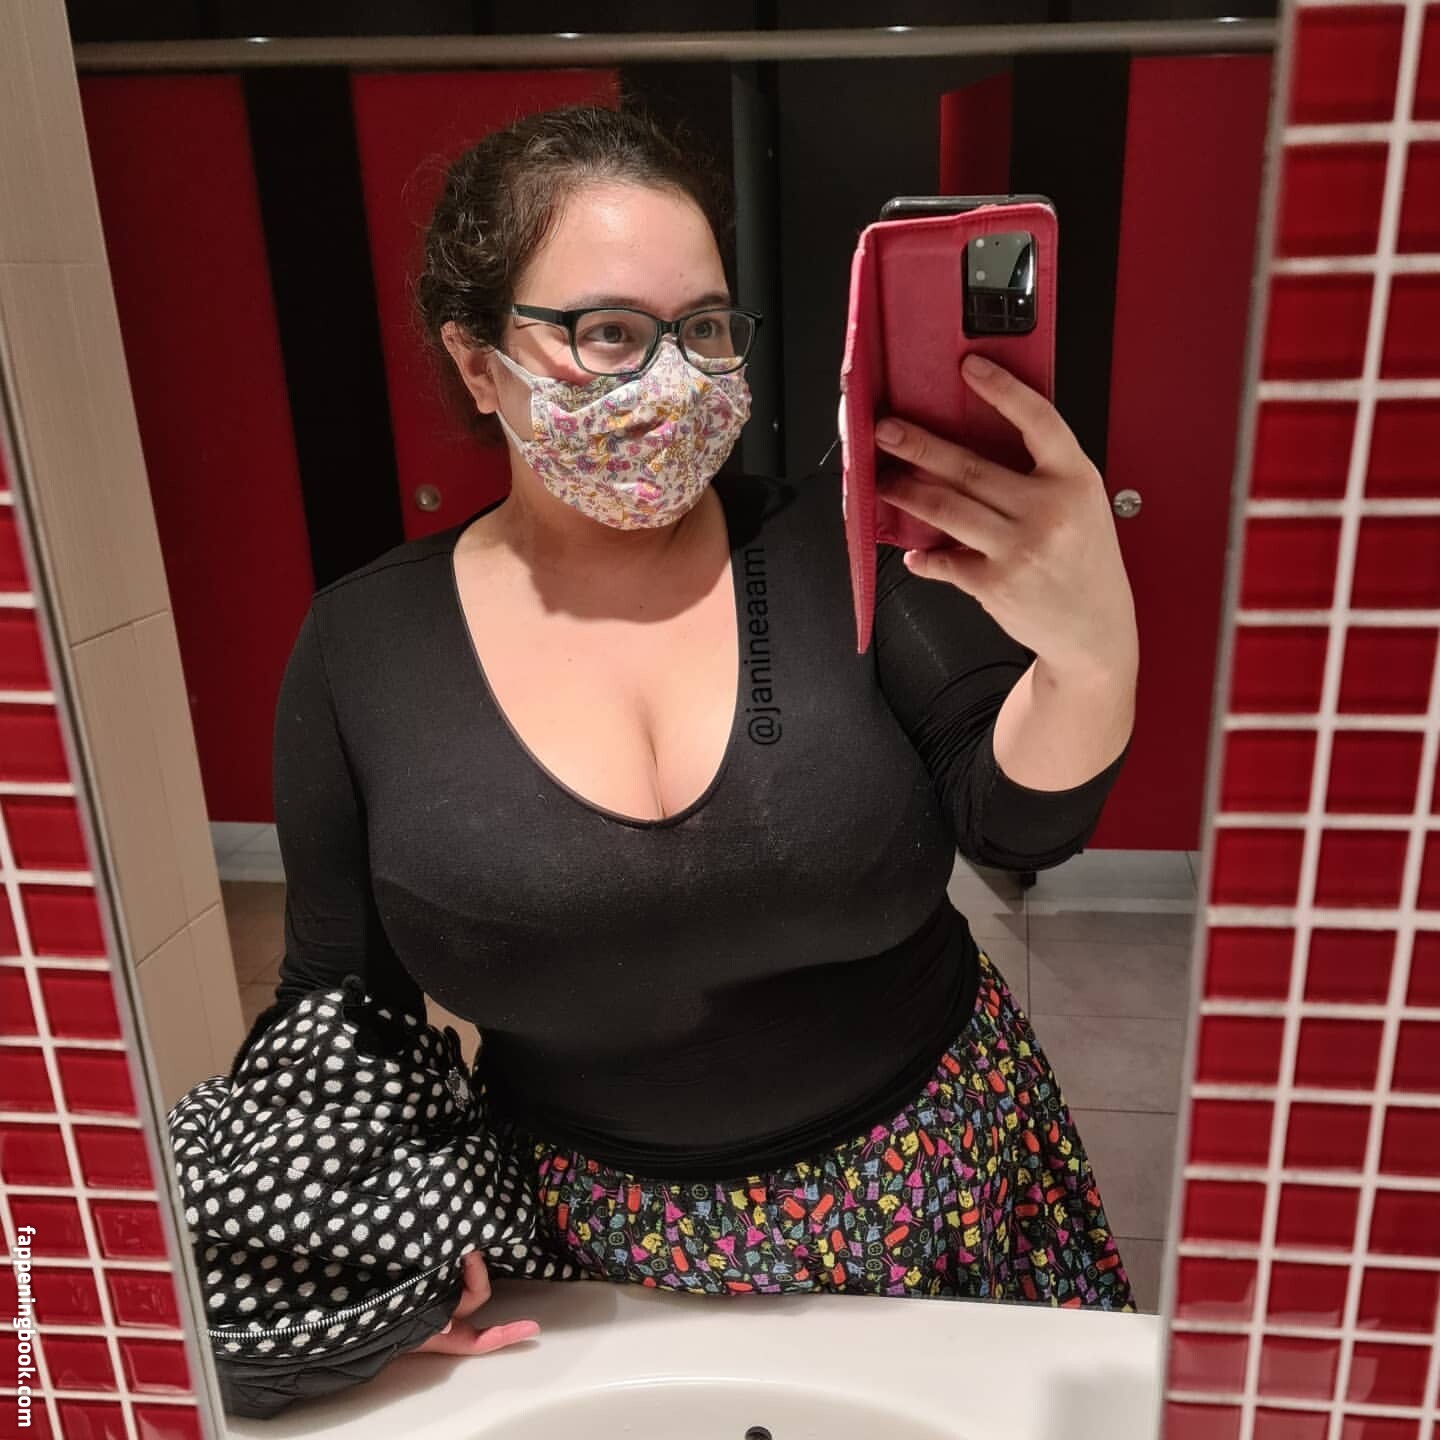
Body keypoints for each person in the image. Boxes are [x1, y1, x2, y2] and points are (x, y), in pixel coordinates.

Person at [268, 103, 1141, 1360]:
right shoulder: (364, 647)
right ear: (478, 363)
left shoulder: (838, 544)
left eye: (705, 329)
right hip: (583, 1255)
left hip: (943, 1190)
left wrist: (1092, 653)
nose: (674, 379)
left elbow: (1017, 819)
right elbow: (342, 1001)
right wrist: (382, 1237)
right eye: (609, 333)